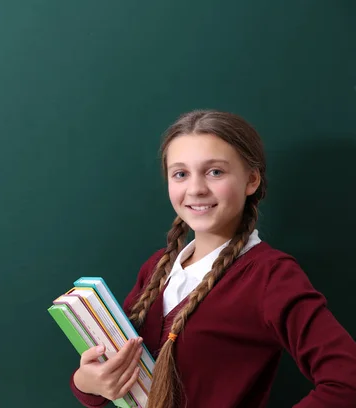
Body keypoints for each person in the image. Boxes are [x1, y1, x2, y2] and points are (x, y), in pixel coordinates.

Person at [69, 110, 356, 408]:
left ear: (252, 180)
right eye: (181, 174)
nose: (195, 189)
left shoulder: (271, 276)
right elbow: (112, 376)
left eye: (214, 172)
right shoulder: (157, 267)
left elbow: (347, 382)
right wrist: (87, 382)